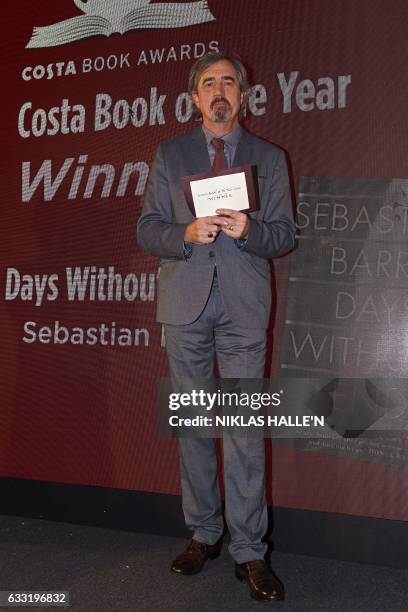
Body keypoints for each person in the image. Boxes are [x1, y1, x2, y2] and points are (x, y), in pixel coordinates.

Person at [137, 51, 295, 602]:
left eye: (229, 80)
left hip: (244, 310)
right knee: (196, 429)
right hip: (186, 307)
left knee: (245, 431)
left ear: (244, 94)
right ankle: (204, 534)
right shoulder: (171, 153)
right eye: (209, 83)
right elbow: (147, 230)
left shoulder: (268, 157)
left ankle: (251, 551)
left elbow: (283, 236)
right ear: (195, 97)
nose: (219, 90)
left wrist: (249, 228)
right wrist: (187, 232)